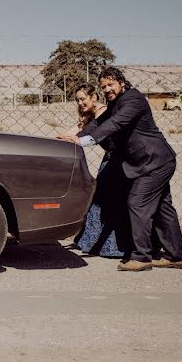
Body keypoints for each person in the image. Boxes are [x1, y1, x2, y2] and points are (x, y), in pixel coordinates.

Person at [66, 67, 182, 272]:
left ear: (122, 83)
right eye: (103, 86)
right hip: (150, 162)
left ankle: (141, 257)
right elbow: (99, 123)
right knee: (162, 209)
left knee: (137, 202)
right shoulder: (116, 103)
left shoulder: (133, 100)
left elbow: (116, 123)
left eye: (110, 84)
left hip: (153, 161)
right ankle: (176, 256)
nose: (107, 89)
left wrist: (84, 140)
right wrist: (73, 139)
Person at [60, 84, 127, 259]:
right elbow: (75, 133)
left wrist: (73, 137)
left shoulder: (106, 113)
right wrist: (59, 139)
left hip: (121, 161)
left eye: (83, 99)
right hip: (109, 160)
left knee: (111, 202)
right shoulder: (91, 117)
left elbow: (86, 135)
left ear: (94, 97)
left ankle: (113, 247)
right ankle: (90, 242)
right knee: (98, 200)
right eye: (78, 100)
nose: (80, 103)